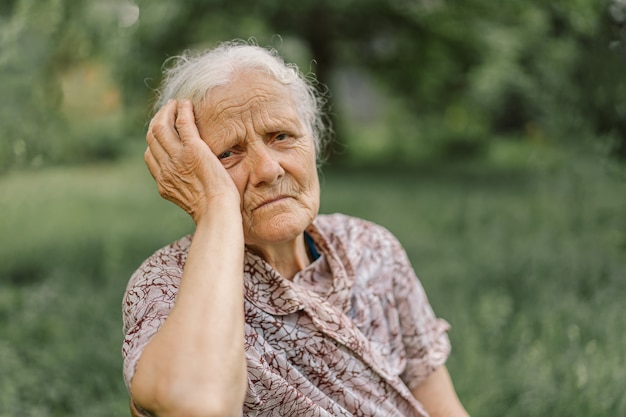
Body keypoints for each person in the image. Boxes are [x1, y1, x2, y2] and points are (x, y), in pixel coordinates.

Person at [122, 40, 470, 417]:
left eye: (281, 137)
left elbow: (442, 408)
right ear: (189, 170)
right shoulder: (165, 284)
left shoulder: (371, 248)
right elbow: (194, 402)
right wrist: (217, 210)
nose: (269, 169)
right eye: (228, 153)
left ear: (314, 143)